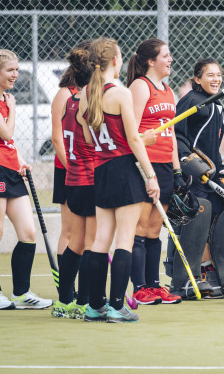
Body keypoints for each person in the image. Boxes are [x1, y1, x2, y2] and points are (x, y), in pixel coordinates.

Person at [79, 37, 159, 323]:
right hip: (124, 169)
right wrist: (151, 176)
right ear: (114, 60)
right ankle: (116, 306)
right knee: (124, 238)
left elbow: (87, 136)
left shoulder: (87, 92)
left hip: (101, 170)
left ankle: (94, 306)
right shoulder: (121, 93)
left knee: (101, 239)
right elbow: (134, 139)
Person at [171, 58, 224, 299]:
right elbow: (177, 137)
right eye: (210, 75)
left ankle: (220, 275)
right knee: (203, 208)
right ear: (197, 79)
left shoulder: (217, 105)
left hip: (209, 177)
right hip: (191, 180)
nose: (216, 79)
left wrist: (222, 172)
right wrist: (189, 163)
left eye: (218, 75)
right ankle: (186, 279)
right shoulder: (191, 101)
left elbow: (213, 149)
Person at [127, 38, 182, 305]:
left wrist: (177, 170)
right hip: (142, 164)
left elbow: (170, 134)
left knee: (154, 228)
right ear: (151, 61)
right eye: (166, 56)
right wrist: (148, 169)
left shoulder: (169, 91)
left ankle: (154, 285)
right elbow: (131, 131)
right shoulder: (140, 86)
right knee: (139, 226)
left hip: (164, 166)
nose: (170, 59)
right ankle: (139, 288)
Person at [0, 49, 52, 310]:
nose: (15, 75)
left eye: (17, 70)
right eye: (10, 70)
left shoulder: (5, 99)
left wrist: (18, 160)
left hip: (10, 168)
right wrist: (14, 107)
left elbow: (8, 140)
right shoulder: (4, 102)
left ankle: (21, 293)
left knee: (28, 232)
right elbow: (6, 130)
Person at [51, 45, 95, 319]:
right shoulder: (70, 98)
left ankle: (72, 298)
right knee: (79, 237)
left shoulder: (75, 99)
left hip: (78, 172)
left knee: (78, 238)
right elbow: (59, 138)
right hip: (78, 172)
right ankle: (74, 298)